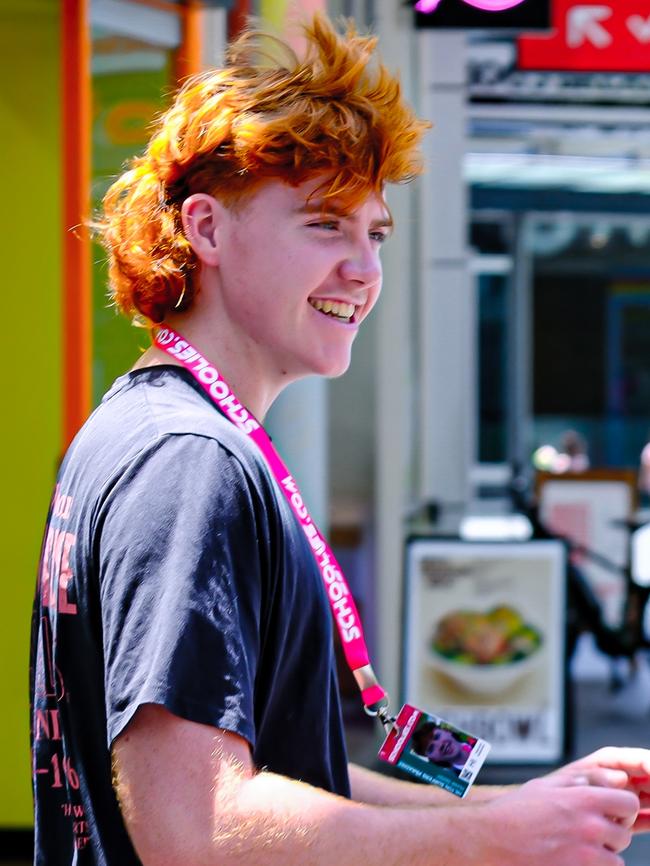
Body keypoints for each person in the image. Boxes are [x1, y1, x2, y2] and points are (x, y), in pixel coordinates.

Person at [30, 12, 650, 866]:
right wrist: (486, 837)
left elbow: (284, 774)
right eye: (325, 225)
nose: (364, 269)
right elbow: (194, 828)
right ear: (206, 230)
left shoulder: (159, 428)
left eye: (377, 234)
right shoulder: (188, 461)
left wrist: (533, 804)